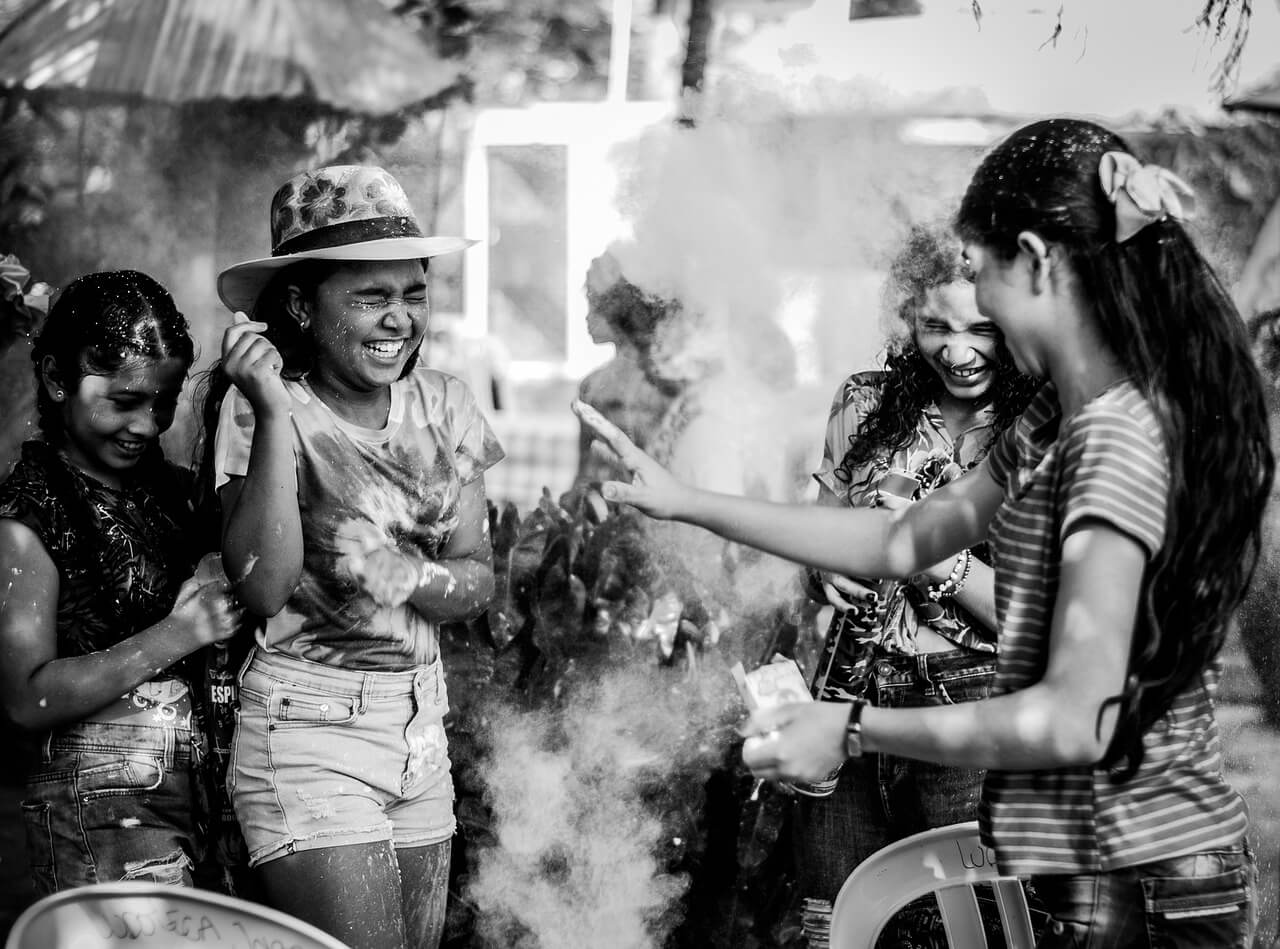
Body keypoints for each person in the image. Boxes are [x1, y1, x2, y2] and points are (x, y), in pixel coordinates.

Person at [575, 118, 1273, 946]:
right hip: (1079, 866)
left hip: (1146, 876)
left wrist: (850, 728)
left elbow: (1074, 719)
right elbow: (898, 543)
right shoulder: (1053, 420)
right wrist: (685, 499)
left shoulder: (1115, 437)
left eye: (979, 274)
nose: (975, 307)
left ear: (1035, 258)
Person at [203, 164, 503, 949]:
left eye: (413, 293)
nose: (399, 318)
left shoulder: (447, 405)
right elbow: (263, 587)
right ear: (302, 306)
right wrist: (272, 411)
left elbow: (477, 577)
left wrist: (413, 575)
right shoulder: (263, 411)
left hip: (421, 730)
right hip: (308, 732)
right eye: (371, 296)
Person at [793, 223, 1038, 945]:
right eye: (936, 327)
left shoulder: (1043, 424)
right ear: (906, 318)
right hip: (849, 693)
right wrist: (821, 566)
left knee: (972, 930)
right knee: (837, 923)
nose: (957, 352)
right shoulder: (863, 402)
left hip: (974, 714)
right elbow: (819, 540)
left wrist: (936, 557)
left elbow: (1045, 621)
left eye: (981, 329)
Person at [0, 270, 242, 894]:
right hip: (102, 807)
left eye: (163, 402)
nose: (149, 425)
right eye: (125, 401)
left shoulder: (170, 491)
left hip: (197, 794)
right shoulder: (30, 515)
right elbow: (27, 698)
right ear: (57, 379)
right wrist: (181, 633)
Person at [572, 247, 675, 488]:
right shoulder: (592, 386)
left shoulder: (660, 387)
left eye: (595, 304)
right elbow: (584, 473)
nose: (587, 316)